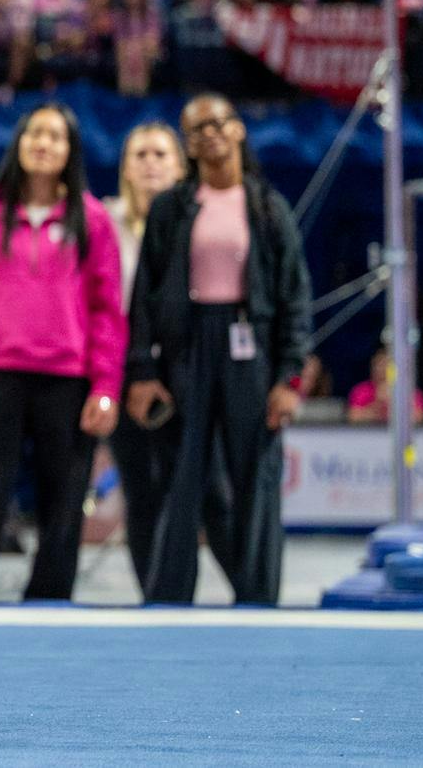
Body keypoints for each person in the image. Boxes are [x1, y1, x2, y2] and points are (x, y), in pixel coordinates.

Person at [127, 94, 311, 605]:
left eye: (216, 123)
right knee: (182, 476)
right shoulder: (172, 207)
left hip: (251, 350)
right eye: (195, 129)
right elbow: (143, 296)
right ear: (187, 144)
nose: (207, 134)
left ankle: (258, 598)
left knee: (256, 477)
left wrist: (289, 378)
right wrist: (143, 370)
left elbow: (295, 297)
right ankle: (169, 598)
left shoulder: (267, 207)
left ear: (237, 130)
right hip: (187, 351)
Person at [0, 104, 125, 600]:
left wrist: (106, 387)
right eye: (34, 134)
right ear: (18, 144)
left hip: (69, 380)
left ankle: (49, 600)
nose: (43, 144)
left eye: (55, 136)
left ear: (70, 150)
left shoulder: (93, 219)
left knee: (63, 502)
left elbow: (107, 309)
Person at [101, 122, 211, 592]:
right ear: (124, 165)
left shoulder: (202, 218)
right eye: (140, 153)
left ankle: (181, 591)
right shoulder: (104, 221)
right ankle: (154, 592)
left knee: (190, 489)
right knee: (142, 490)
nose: (150, 162)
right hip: (124, 372)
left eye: (161, 154)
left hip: (189, 369)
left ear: (180, 165)